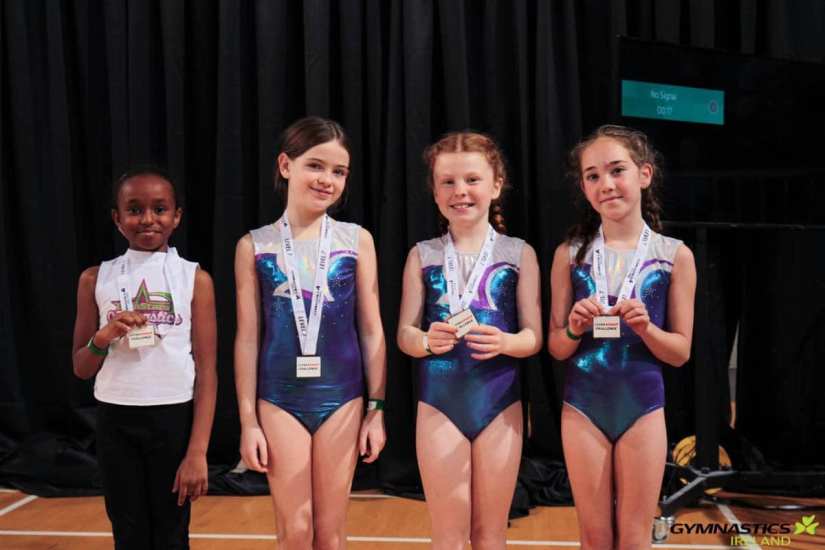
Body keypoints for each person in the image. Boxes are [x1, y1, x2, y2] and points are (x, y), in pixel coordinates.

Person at [234, 116, 387, 549]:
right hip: (279, 398)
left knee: (331, 532)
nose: (327, 180)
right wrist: (248, 422)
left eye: (339, 171)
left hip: (343, 397)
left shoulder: (356, 241)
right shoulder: (255, 245)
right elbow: (247, 339)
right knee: (296, 530)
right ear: (286, 165)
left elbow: (371, 331)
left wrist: (376, 408)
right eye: (315, 166)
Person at [548, 125, 696, 550]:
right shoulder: (569, 254)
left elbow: (680, 353)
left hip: (643, 409)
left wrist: (647, 328)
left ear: (644, 174)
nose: (606, 184)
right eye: (593, 176)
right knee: (594, 538)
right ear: (583, 187)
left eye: (617, 170)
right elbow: (557, 347)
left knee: (634, 538)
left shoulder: (674, 255)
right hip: (582, 408)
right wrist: (574, 328)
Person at [397, 131, 542, 550]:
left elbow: (533, 336)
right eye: (448, 182)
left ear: (496, 185)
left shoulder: (518, 253)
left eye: (472, 180)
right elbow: (405, 334)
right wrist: (426, 341)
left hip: (499, 405)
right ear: (435, 192)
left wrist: (506, 343)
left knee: (490, 535)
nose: (460, 191)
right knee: (448, 535)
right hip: (439, 405)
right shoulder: (422, 254)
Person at [72, 167, 218, 549]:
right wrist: (103, 337)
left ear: (177, 216)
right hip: (115, 418)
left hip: (173, 417)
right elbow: (81, 367)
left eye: (160, 209)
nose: (148, 219)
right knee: (128, 533)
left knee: (172, 533)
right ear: (117, 218)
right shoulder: (95, 279)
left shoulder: (195, 279)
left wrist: (198, 451)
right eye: (135, 210)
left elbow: (207, 371)